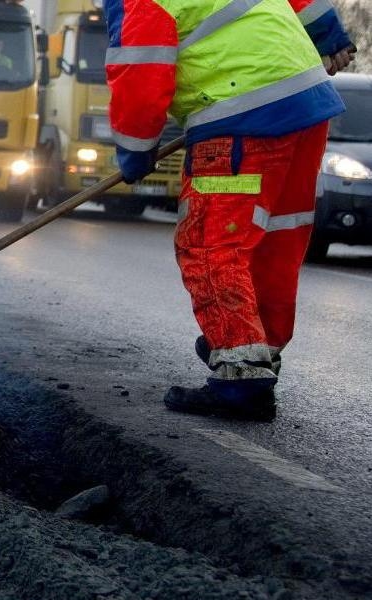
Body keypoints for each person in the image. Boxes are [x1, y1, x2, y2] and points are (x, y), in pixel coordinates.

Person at [103, 0, 354, 421]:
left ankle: (241, 376)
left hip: (242, 113)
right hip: (306, 101)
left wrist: (134, 150)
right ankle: (256, 351)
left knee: (210, 244)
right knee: (274, 237)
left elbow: (141, 74)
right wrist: (328, 32)